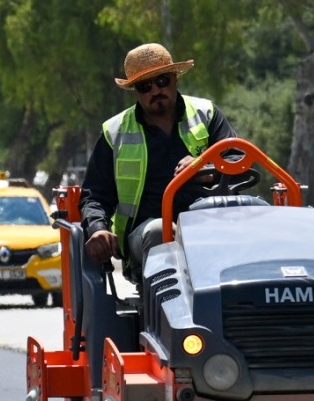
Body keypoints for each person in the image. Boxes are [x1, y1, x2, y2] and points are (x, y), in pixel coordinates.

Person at [79, 44, 237, 274]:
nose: (155, 91)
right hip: (146, 232)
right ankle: (170, 308)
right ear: (136, 90)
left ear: (174, 78)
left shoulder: (207, 113)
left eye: (162, 81)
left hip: (210, 224)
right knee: (159, 231)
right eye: (145, 86)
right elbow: (94, 196)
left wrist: (206, 167)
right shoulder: (114, 132)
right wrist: (97, 229)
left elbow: (238, 159)